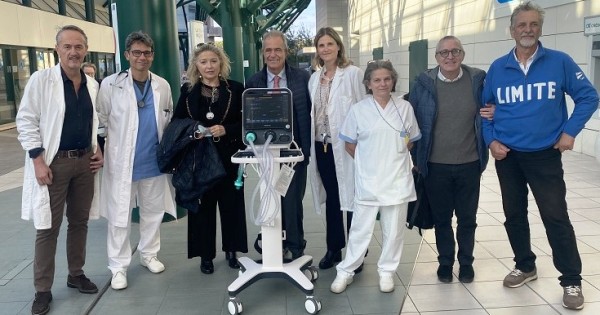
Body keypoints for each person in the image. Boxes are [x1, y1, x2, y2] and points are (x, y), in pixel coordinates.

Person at [482, 1, 599, 310]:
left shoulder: (559, 62)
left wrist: (570, 131)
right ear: (511, 30)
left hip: (545, 155)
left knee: (555, 216)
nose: (528, 30)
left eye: (533, 24)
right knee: (514, 215)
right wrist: (491, 140)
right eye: (522, 25)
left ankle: (571, 279)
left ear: (540, 28)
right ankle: (525, 265)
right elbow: (484, 111)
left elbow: (589, 96)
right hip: (508, 156)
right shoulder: (497, 68)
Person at [15, 25, 103, 315]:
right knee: (47, 227)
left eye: (78, 47)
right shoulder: (42, 81)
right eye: (67, 47)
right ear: (57, 50)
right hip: (54, 162)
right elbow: (26, 120)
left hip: (84, 161)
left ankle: (75, 273)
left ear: (85, 50)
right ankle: (42, 290)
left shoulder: (91, 83)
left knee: (79, 222)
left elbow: (95, 121)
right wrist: (38, 159)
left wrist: (97, 147)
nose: (73, 52)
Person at [331, 60, 420, 293]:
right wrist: (367, 162)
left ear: (393, 81)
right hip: (368, 180)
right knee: (360, 229)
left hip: (397, 178)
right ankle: (346, 270)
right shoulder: (359, 110)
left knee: (394, 230)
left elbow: (410, 141)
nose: (382, 84)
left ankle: (387, 271)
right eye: (377, 80)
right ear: (368, 84)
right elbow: (349, 143)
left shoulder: (404, 108)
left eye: (387, 79)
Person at [96, 31, 177, 290]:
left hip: (153, 161)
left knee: (152, 213)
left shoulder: (162, 85)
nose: (142, 57)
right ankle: (118, 267)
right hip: (122, 163)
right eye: (137, 53)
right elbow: (101, 121)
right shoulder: (111, 84)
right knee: (119, 217)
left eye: (147, 53)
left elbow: (168, 117)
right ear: (127, 55)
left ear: (152, 56)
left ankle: (148, 254)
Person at [408, 36, 490, 283]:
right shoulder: (423, 84)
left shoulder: (478, 81)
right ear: (436, 57)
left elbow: (494, 106)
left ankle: (466, 264)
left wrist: (495, 111)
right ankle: (445, 263)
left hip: (470, 163)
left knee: (468, 219)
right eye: (444, 53)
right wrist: (414, 156)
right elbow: (409, 121)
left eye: (455, 51)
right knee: (442, 220)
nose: (450, 56)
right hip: (435, 166)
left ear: (463, 55)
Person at [173, 44, 248, 274]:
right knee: (203, 208)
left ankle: (232, 250)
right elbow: (177, 124)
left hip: (229, 156)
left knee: (232, 205)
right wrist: (193, 131)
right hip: (199, 158)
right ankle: (205, 255)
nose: (209, 66)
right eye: (204, 62)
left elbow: (246, 123)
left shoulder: (236, 89)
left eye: (213, 61)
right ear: (196, 65)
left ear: (221, 63)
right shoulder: (188, 92)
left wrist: (226, 129)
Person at [245, 30, 312, 259]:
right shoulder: (254, 81)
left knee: (292, 202)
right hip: (266, 153)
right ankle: (273, 247)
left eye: (278, 49)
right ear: (263, 53)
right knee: (270, 199)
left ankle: (295, 248)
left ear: (286, 51)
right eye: (268, 50)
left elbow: (309, 114)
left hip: (294, 152)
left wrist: (307, 151)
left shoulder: (303, 78)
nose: (273, 54)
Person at [308, 27, 367, 270]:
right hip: (322, 146)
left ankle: (357, 253)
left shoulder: (352, 74)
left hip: (348, 147)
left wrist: (361, 141)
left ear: (338, 46)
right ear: (317, 50)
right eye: (321, 45)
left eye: (330, 44)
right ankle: (334, 247)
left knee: (353, 197)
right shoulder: (314, 77)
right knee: (333, 198)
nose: (326, 49)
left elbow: (364, 108)